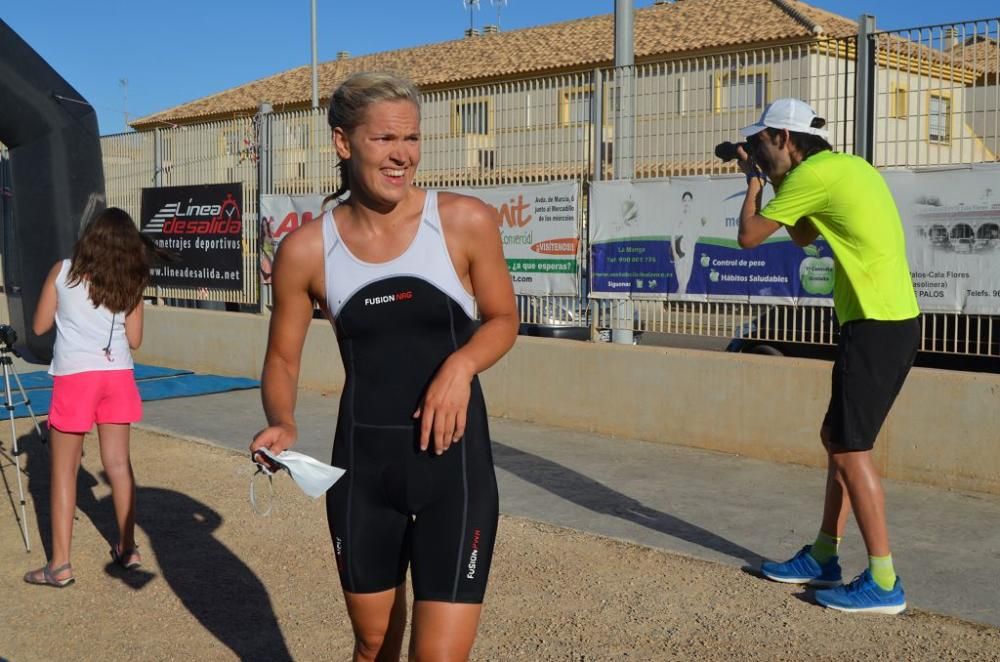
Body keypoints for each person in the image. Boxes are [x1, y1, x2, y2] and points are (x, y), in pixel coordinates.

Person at [250, 72, 518, 661]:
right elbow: (281, 358)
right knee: (373, 645)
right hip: (365, 474)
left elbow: (502, 319)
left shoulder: (463, 221)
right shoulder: (306, 250)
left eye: (413, 139)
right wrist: (283, 420)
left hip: (456, 474)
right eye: (385, 140)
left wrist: (460, 367)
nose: (403, 155)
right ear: (344, 143)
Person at [734, 98, 919, 614]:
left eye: (763, 143)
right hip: (884, 321)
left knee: (851, 448)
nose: (758, 152)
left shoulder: (814, 175)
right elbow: (802, 233)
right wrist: (774, 180)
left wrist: (752, 184)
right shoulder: (839, 167)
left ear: (786, 139)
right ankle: (823, 556)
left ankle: (884, 582)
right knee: (835, 437)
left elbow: (749, 237)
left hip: (877, 324)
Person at [24, 207, 161, 587]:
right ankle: (128, 547)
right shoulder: (130, 281)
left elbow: (38, 327)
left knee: (63, 470)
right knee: (118, 464)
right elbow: (135, 340)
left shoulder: (63, 271)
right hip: (117, 374)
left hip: (75, 377)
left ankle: (60, 565)